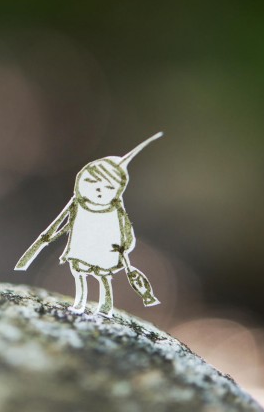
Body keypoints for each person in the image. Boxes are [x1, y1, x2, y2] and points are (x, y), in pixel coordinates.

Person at [15, 132, 162, 317]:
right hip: (81, 246)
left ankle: (106, 305)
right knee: (79, 274)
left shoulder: (116, 209)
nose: (99, 191)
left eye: (108, 188)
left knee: (103, 277)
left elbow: (127, 230)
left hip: (106, 249)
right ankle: (80, 302)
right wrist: (50, 236)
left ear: (117, 192)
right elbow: (60, 222)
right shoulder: (77, 203)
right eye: (92, 184)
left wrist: (125, 246)